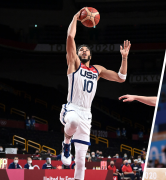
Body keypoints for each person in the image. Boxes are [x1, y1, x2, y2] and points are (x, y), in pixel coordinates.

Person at [59, 7, 131, 180]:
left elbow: (121, 78)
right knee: (73, 121)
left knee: (81, 161)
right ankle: (66, 143)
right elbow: (70, 37)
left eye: (86, 49)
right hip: (72, 108)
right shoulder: (73, 64)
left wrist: (124, 58)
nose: (83, 51)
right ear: (76, 54)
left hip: (87, 114)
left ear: (91, 54)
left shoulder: (97, 70)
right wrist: (76, 18)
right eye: (80, 49)